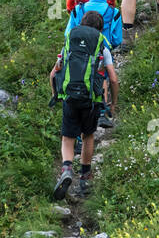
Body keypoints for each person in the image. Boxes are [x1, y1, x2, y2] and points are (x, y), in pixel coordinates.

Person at [48, 10, 118, 200]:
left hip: (70, 98)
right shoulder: (102, 46)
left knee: (68, 137)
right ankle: (85, 178)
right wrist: (112, 103)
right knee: (88, 135)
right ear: (100, 29)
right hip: (91, 100)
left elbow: (53, 74)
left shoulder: (70, 43)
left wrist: (56, 95)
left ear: (81, 24)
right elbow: (113, 79)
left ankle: (67, 168)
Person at [64, 0, 122, 125]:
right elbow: (117, 39)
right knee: (101, 76)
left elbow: (68, 34)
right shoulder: (114, 13)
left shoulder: (78, 10)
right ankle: (102, 110)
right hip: (102, 53)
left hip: (78, 55)